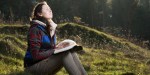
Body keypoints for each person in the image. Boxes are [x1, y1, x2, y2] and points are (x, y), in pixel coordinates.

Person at [24, 1, 87, 75]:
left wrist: (59, 46)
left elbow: (48, 48)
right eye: (47, 9)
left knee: (71, 51)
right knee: (64, 53)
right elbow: (36, 56)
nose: (50, 10)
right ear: (39, 14)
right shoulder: (35, 29)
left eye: (50, 9)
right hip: (33, 67)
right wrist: (54, 50)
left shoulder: (48, 28)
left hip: (45, 62)